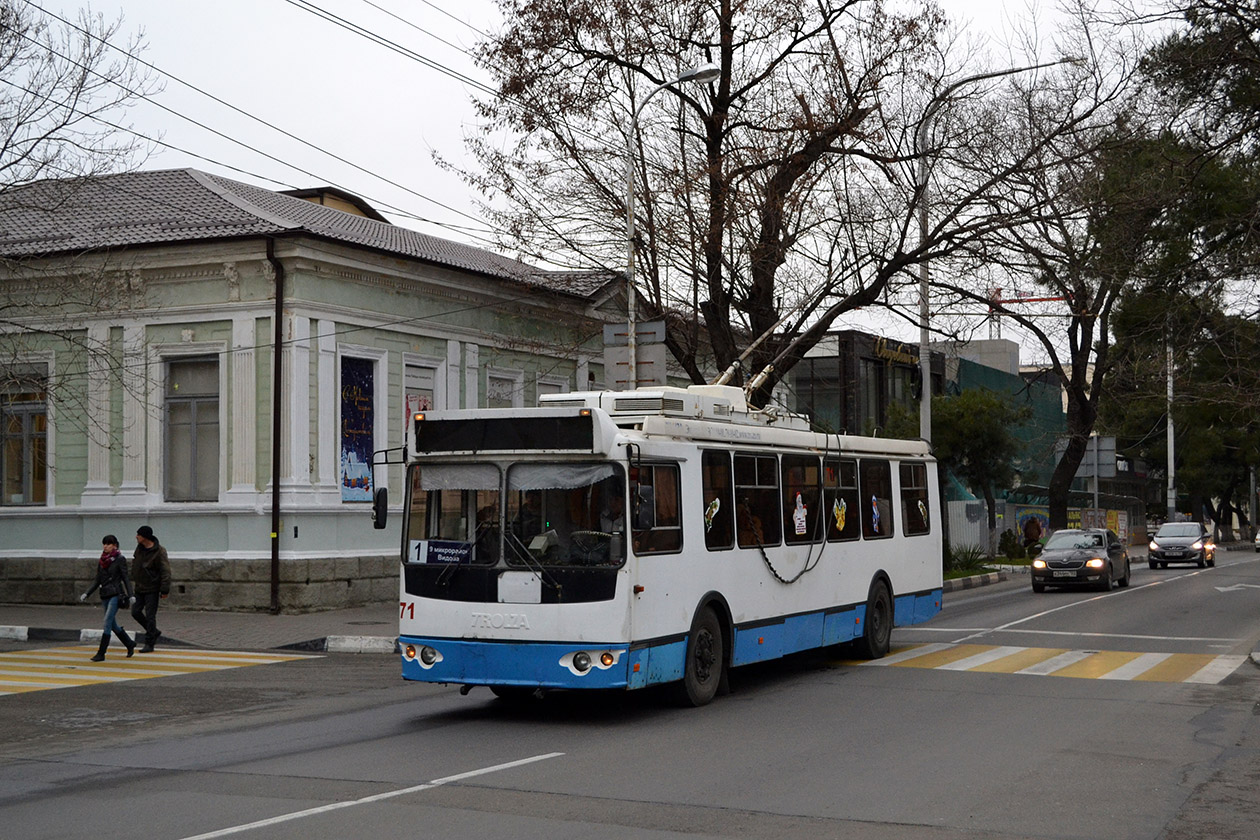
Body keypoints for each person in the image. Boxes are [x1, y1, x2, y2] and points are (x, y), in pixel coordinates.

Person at [79, 535, 136, 661]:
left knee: (107, 622)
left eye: (108, 544)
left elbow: (125, 578)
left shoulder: (120, 559)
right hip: (104, 594)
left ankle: (101, 653)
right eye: (104, 544)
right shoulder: (102, 560)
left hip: (116, 594)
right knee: (112, 624)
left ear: (115, 545)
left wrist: (131, 595)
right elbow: (98, 579)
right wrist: (87, 593)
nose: (105, 546)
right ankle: (129, 643)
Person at [131, 525, 172, 653]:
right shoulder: (139, 549)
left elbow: (165, 571)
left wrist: (164, 589)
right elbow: (135, 565)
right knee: (135, 612)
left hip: (152, 588)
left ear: (145, 537)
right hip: (139, 587)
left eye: (138, 535)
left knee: (150, 616)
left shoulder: (159, 551)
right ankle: (153, 631)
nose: (136, 537)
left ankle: (149, 643)